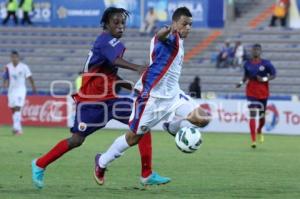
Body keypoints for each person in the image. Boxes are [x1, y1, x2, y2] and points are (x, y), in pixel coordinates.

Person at [31, 7, 170, 189]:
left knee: (142, 124)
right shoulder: (105, 41)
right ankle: (40, 164)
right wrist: (137, 67)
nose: (121, 27)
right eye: (116, 23)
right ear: (106, 24)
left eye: (123, 23)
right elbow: (114, 61)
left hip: (111, 99)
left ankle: (146, 174)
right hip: (91, 101)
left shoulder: (110, 43)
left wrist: (124, 84)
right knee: (76, 140)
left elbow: (108, 72)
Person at [94, 7, 210, 185]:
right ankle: (101, 161)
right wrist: (169, 29)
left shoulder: (180, 39)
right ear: (175, 23)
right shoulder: (167, 36)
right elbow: (160, 34)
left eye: (190, 25)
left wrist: (176, 30)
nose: (188, 28)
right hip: (152, 98)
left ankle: (172, 127)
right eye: (184, 24)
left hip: (173, 96)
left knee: (203, 119)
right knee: (133, 138)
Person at [236, 44, 276, 148]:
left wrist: (264, 79)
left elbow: (274, 74)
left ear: (261, 51)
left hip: (263, 92)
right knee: (252, 115)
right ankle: (253, 140)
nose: (256, 51)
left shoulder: (266, 63)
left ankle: (259, 130)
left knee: (262, 117)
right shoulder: (247, 64)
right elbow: (246, 76)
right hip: (251, 91)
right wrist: (241, 83)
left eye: (258, 50)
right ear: (252, 51)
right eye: (254, 49)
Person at [2, 51, 36, 135]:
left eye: (15, 57)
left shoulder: (24, 67)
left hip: (21, 90)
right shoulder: (8, 67)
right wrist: (5, 83)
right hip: (11, 90)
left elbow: (30, 77)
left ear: (18, 58)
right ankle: (18, 128)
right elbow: (5, 76)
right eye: (12, 57)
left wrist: (33, 86)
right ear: (11, 58)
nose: (14, 59)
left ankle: (16, 128)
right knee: (13, 109)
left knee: (18, 107)